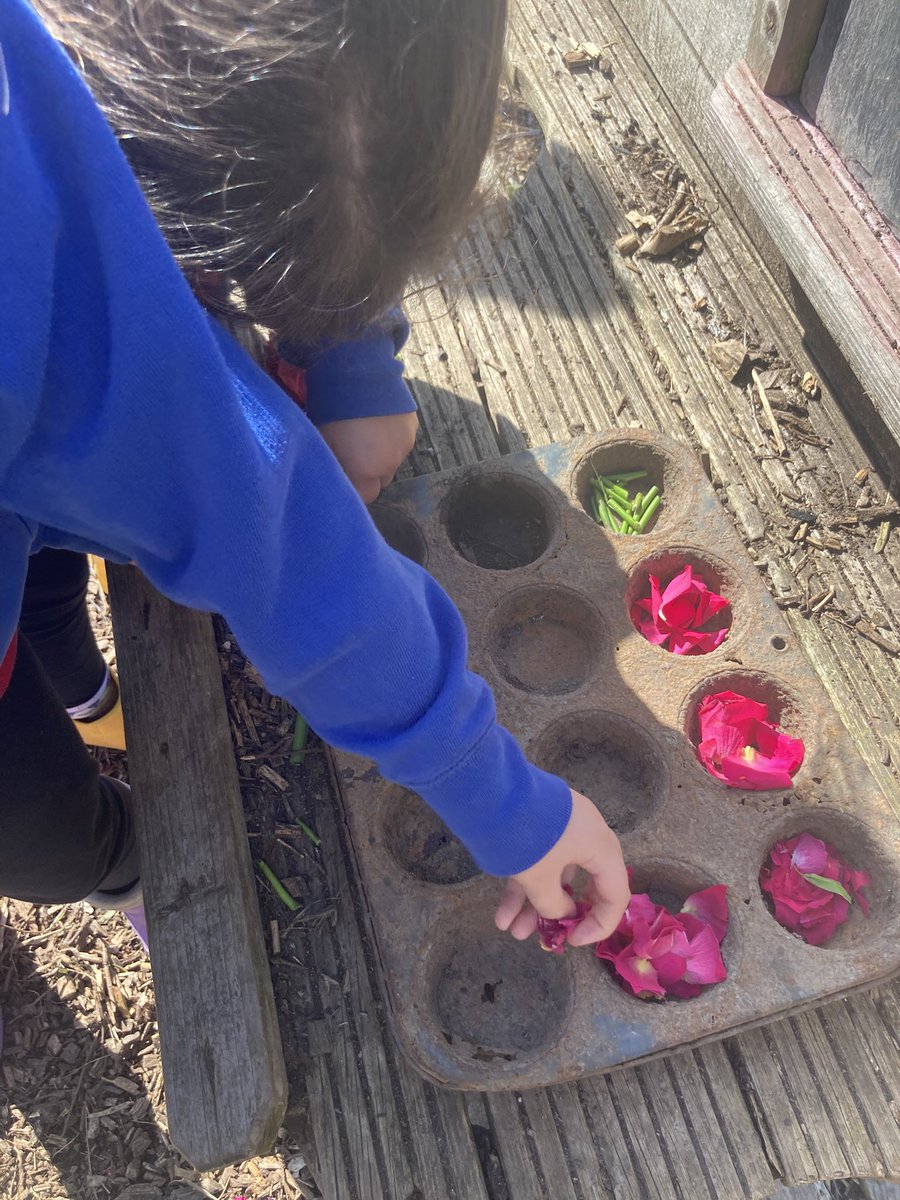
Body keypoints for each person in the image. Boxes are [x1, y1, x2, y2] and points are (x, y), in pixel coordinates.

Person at [0, 0, 629, 970]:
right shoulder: (66, 301)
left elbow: (325, 112)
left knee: (40, 573)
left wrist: (345, 343)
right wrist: (513, 807)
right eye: (248, 278)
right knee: (37, 830)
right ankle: (126, 869)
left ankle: (86, 696)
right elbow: (306, 579)